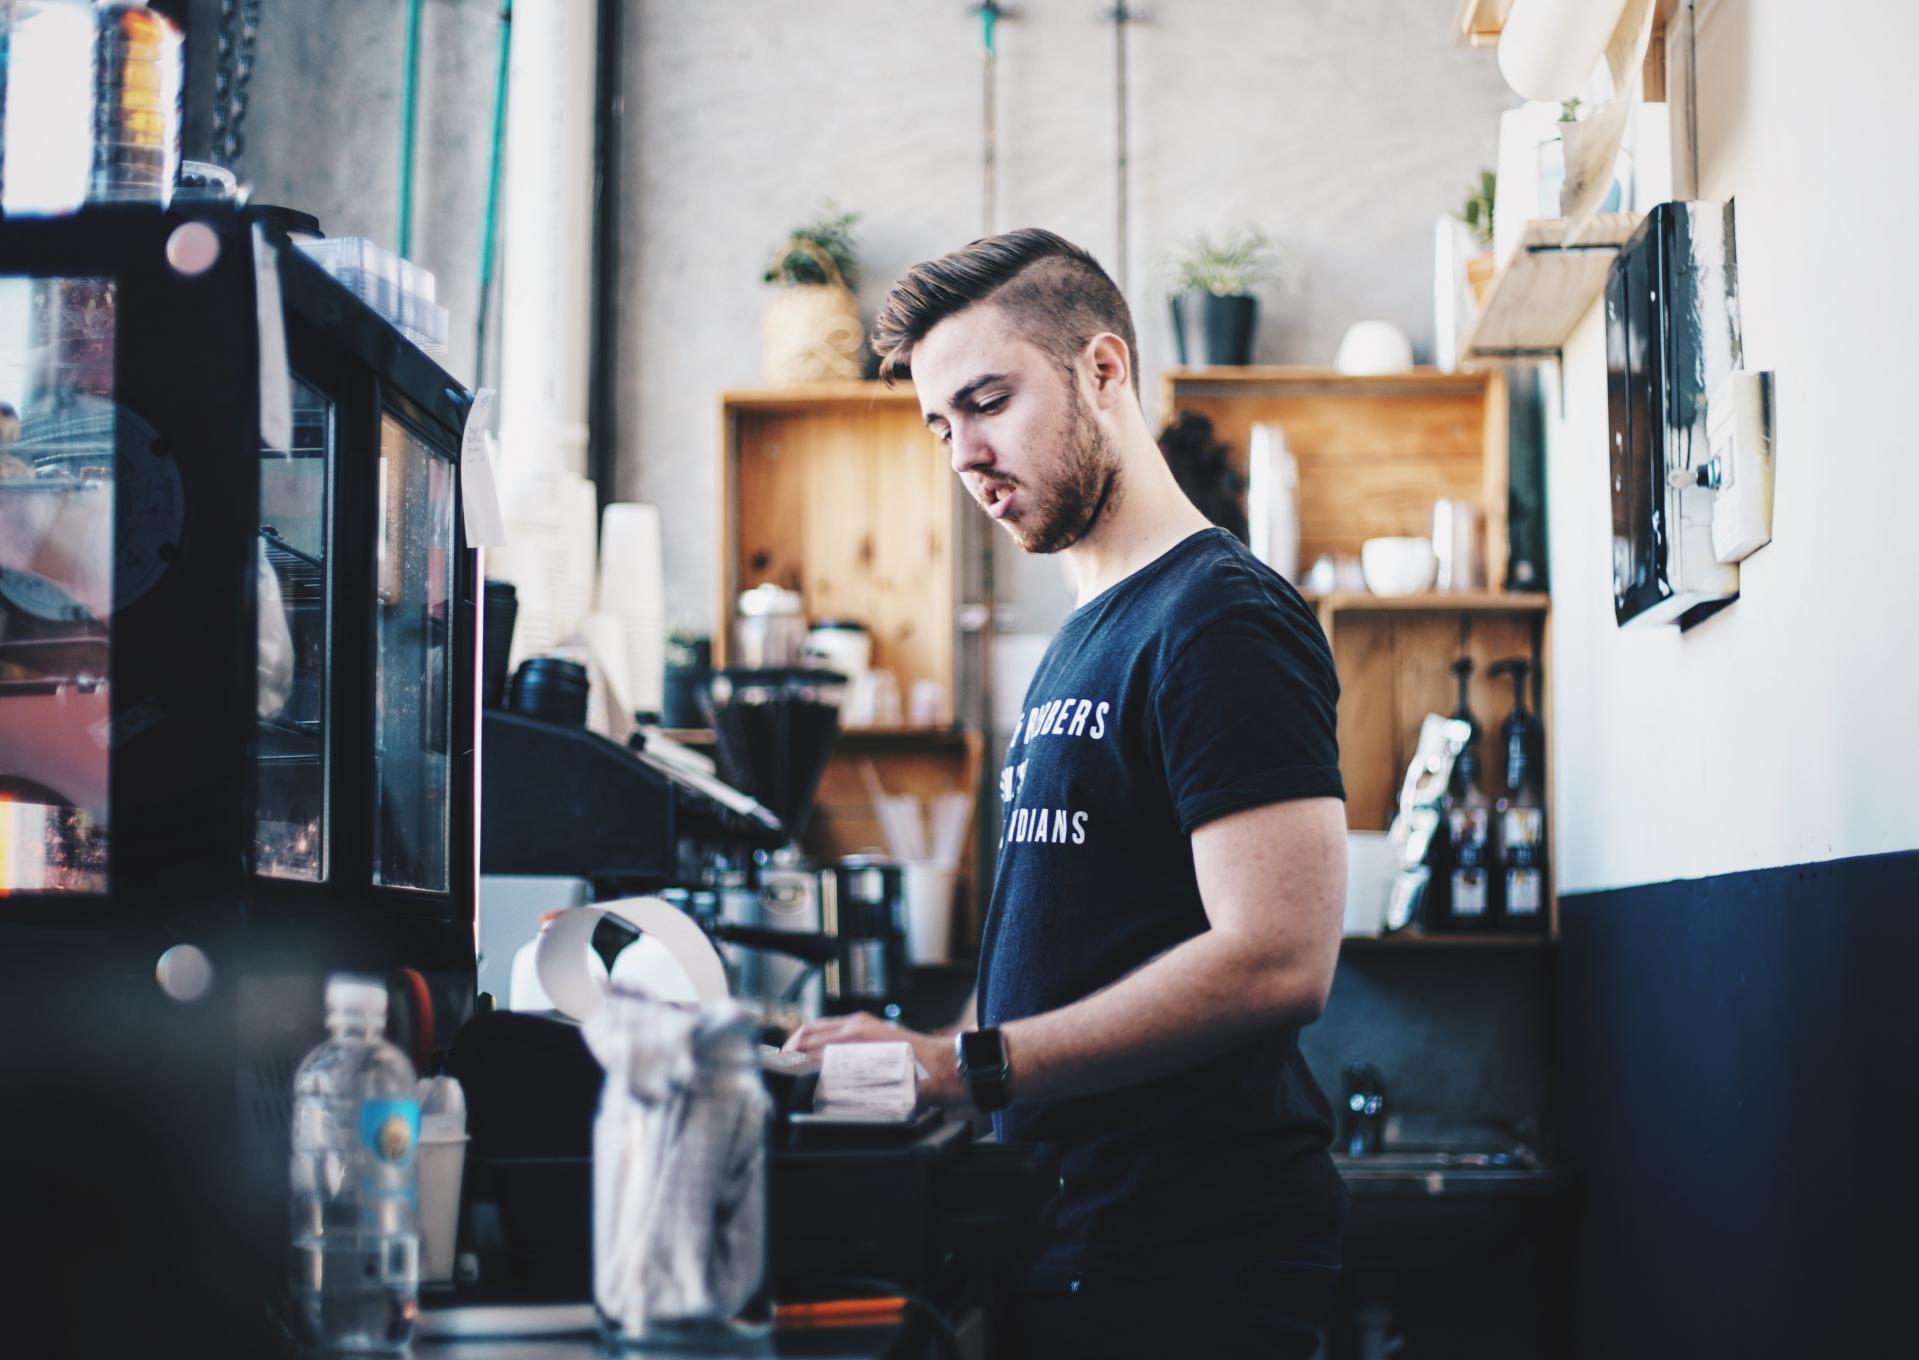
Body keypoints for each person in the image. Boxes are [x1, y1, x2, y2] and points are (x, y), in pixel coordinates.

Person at [784, 228, 1348, 1359]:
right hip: (1079, 1242)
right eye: (941, 426)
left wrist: (961, 1065)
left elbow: (1279, 958)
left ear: (1102, 371)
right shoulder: (1082, 635)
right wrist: (925, 1052)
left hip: (1192, 1269)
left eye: (987, 402)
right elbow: (1080, 953)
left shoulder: (1217, 619)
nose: (964, 456)